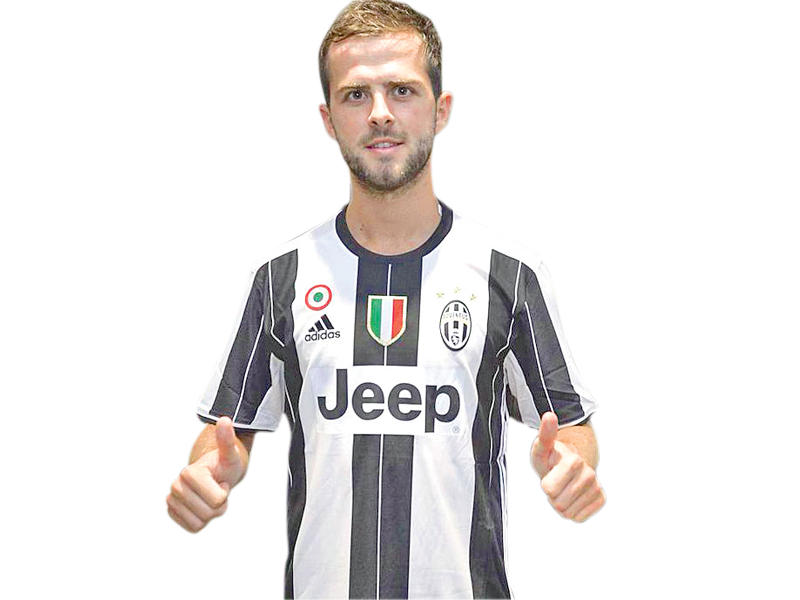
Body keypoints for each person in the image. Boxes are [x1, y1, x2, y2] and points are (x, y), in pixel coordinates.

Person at [166, 1, 605, 597]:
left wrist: (574, 463)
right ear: (328, 119)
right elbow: (229, 429)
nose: (379, 113)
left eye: (402, 90)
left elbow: (570, 425)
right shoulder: (280, 279)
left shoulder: (510, 275)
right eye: (356, 95)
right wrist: (211, 467)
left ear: (440, 109)